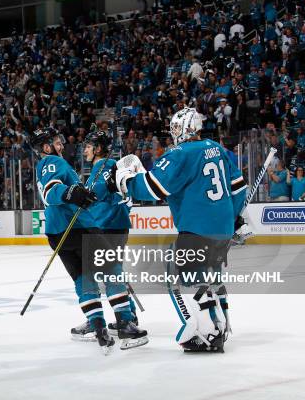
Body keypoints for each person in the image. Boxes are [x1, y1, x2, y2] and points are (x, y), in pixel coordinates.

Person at [110, 108, 247, 353]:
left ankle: (208, 332)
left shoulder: (180, 153)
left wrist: (125, 180)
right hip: (222, 229)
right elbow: (238, 187)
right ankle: (221, 322)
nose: (173, 133)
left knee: (180, 277)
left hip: (196, 230)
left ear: (186, 128)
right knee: (210, 275)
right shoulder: (216, 148)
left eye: (175, 127)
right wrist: (234, 217)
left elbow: (153, 189)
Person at [32, 127, 116, 354]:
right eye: (56, 142)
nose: (61, 145)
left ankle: (98, 325)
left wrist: (77, 192)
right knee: (112, 268)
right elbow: (52, 192)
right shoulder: (52, 161)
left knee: (82, 278)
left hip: (57, 232)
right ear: (47, 147)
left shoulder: (46, 165)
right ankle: (126, 320)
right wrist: (71, 194)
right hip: (77, 227)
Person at [69, 130, 147, 349]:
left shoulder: (105, 166)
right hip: (109, 226)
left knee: (107, 273)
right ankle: (125, 316)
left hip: (108, 226)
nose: (84, 150)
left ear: (98, 149)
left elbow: (96, 194)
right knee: (109, 272)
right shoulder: (103, 167)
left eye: (88, 146)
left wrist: (79, 197)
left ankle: (121, 321)